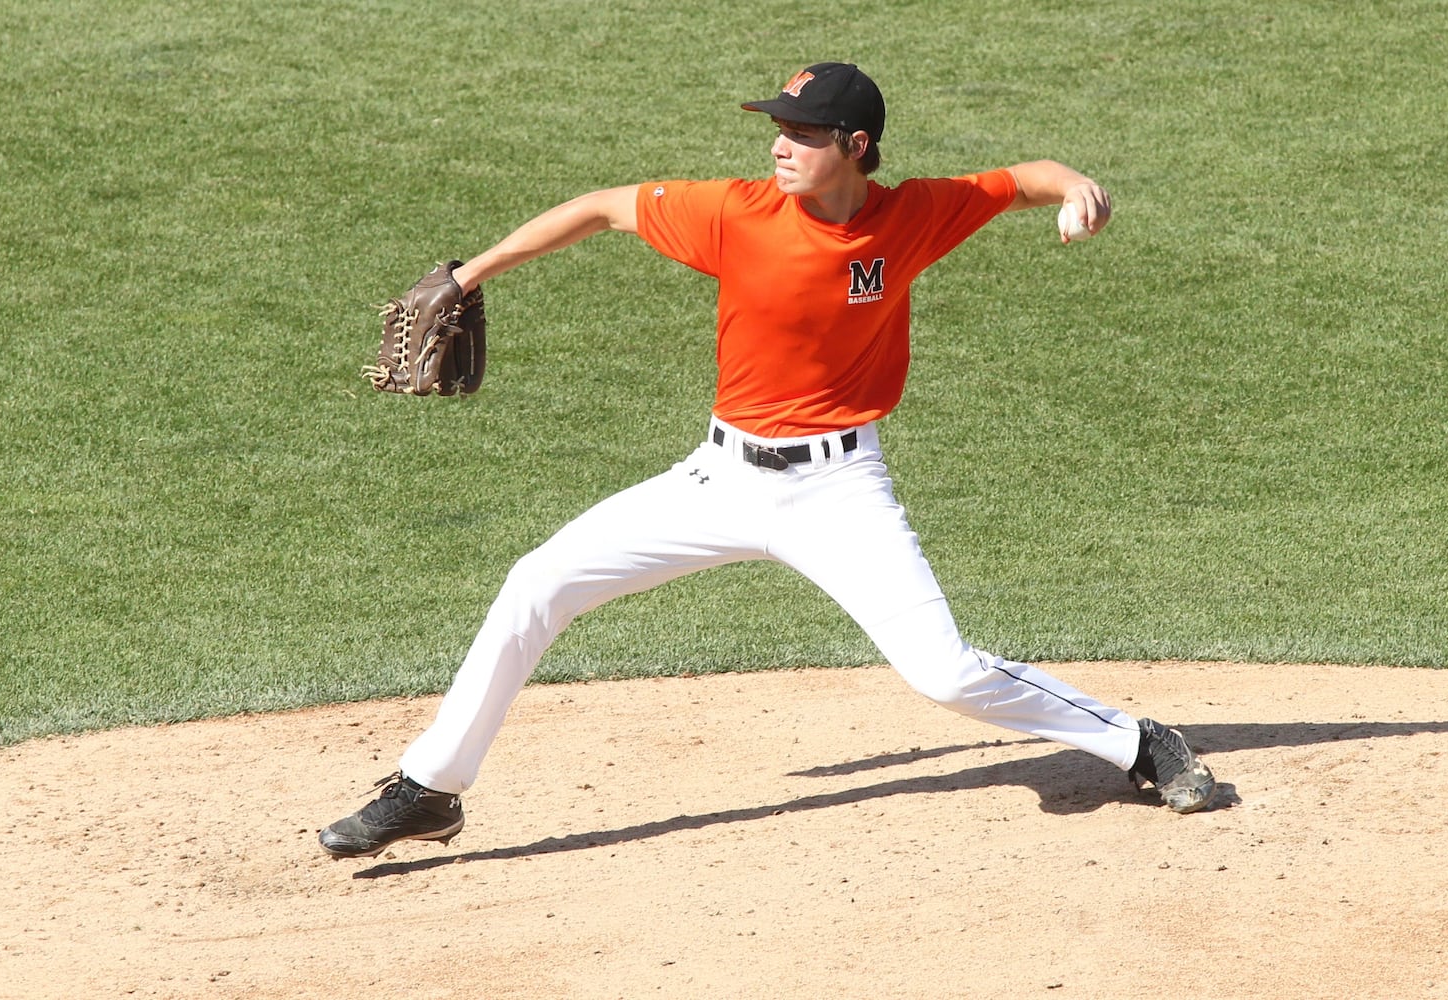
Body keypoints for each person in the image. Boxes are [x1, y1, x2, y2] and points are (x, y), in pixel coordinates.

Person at [319, 62, 1217, 860]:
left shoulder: (911, 216)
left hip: (840, 491)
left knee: (944, 673)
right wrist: (470, 274)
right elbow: (601, 208)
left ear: (855, 146)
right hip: (717, 481)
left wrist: (1078, 189)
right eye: (777, 129)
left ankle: (1139, 742)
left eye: (802, 133)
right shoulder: (735, 215)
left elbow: (1022, 179)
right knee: (537, 581)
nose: (780, 147)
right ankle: (429, 789)